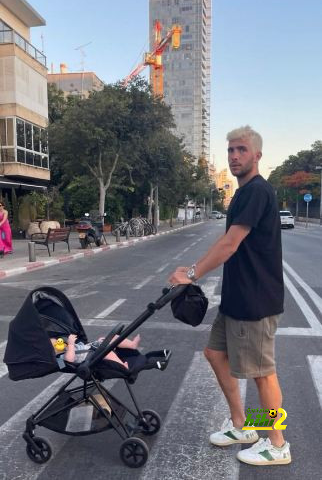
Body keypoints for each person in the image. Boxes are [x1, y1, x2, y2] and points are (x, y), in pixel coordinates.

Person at [169, 126, 291, 466]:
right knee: (213, 352)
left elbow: (229, 244)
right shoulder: (241, 193)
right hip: (238, 298)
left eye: (241, 150)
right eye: (231, 151)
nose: (234, 156)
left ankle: (278, 443)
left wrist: (190, 274)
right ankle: (242, 425)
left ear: (257, 155)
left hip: (256, 302)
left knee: (263, 372)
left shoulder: (256, 191)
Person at [51, 333, 141, 369]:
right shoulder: (61, 357)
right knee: (107, 353)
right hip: (92, 357)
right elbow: (69, 360)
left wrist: (70, 345)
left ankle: (132, 345)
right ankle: (122, 366)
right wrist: (70, 344)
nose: (60, 342)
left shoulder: (67, 348)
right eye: (57, 344)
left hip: (93, 348)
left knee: (112, 337)